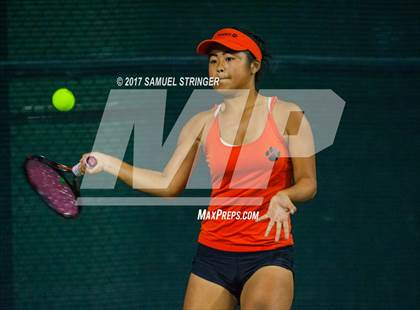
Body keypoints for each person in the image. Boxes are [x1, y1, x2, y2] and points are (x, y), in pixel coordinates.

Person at [79, 27, 317, 310]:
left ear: (255, 66)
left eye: (230, 58)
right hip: (213, 255)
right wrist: (109, 163)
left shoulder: (287, 114)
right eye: (213, 59)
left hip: (268, 253)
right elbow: (167, 184)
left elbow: (307, 183)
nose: (218, 66)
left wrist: (284, 195)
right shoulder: (200, 123)